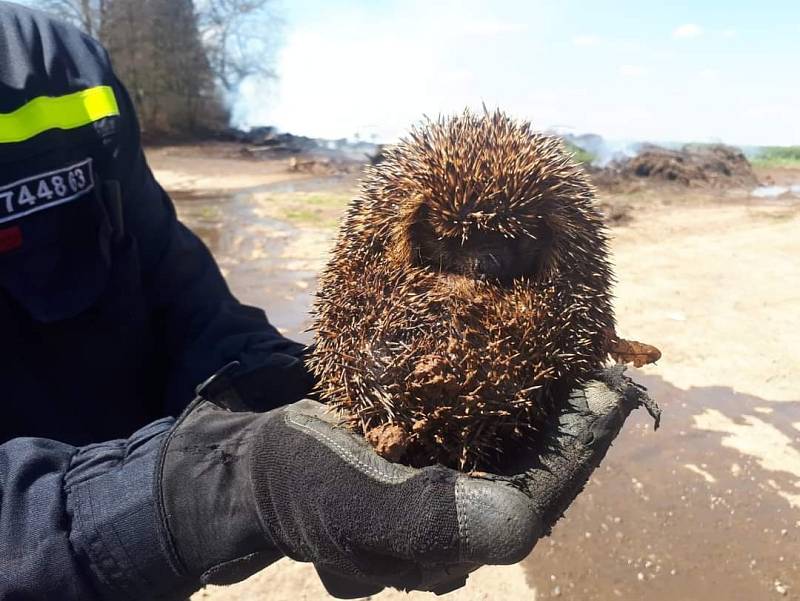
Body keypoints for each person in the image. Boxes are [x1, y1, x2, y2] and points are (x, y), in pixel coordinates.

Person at [0, 2, 656, 599]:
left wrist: (288, 384)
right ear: (418, 227)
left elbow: (173, 291)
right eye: (460, 248)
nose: (478, 271)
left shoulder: (66, 63)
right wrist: (197, 492)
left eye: (500, 253)